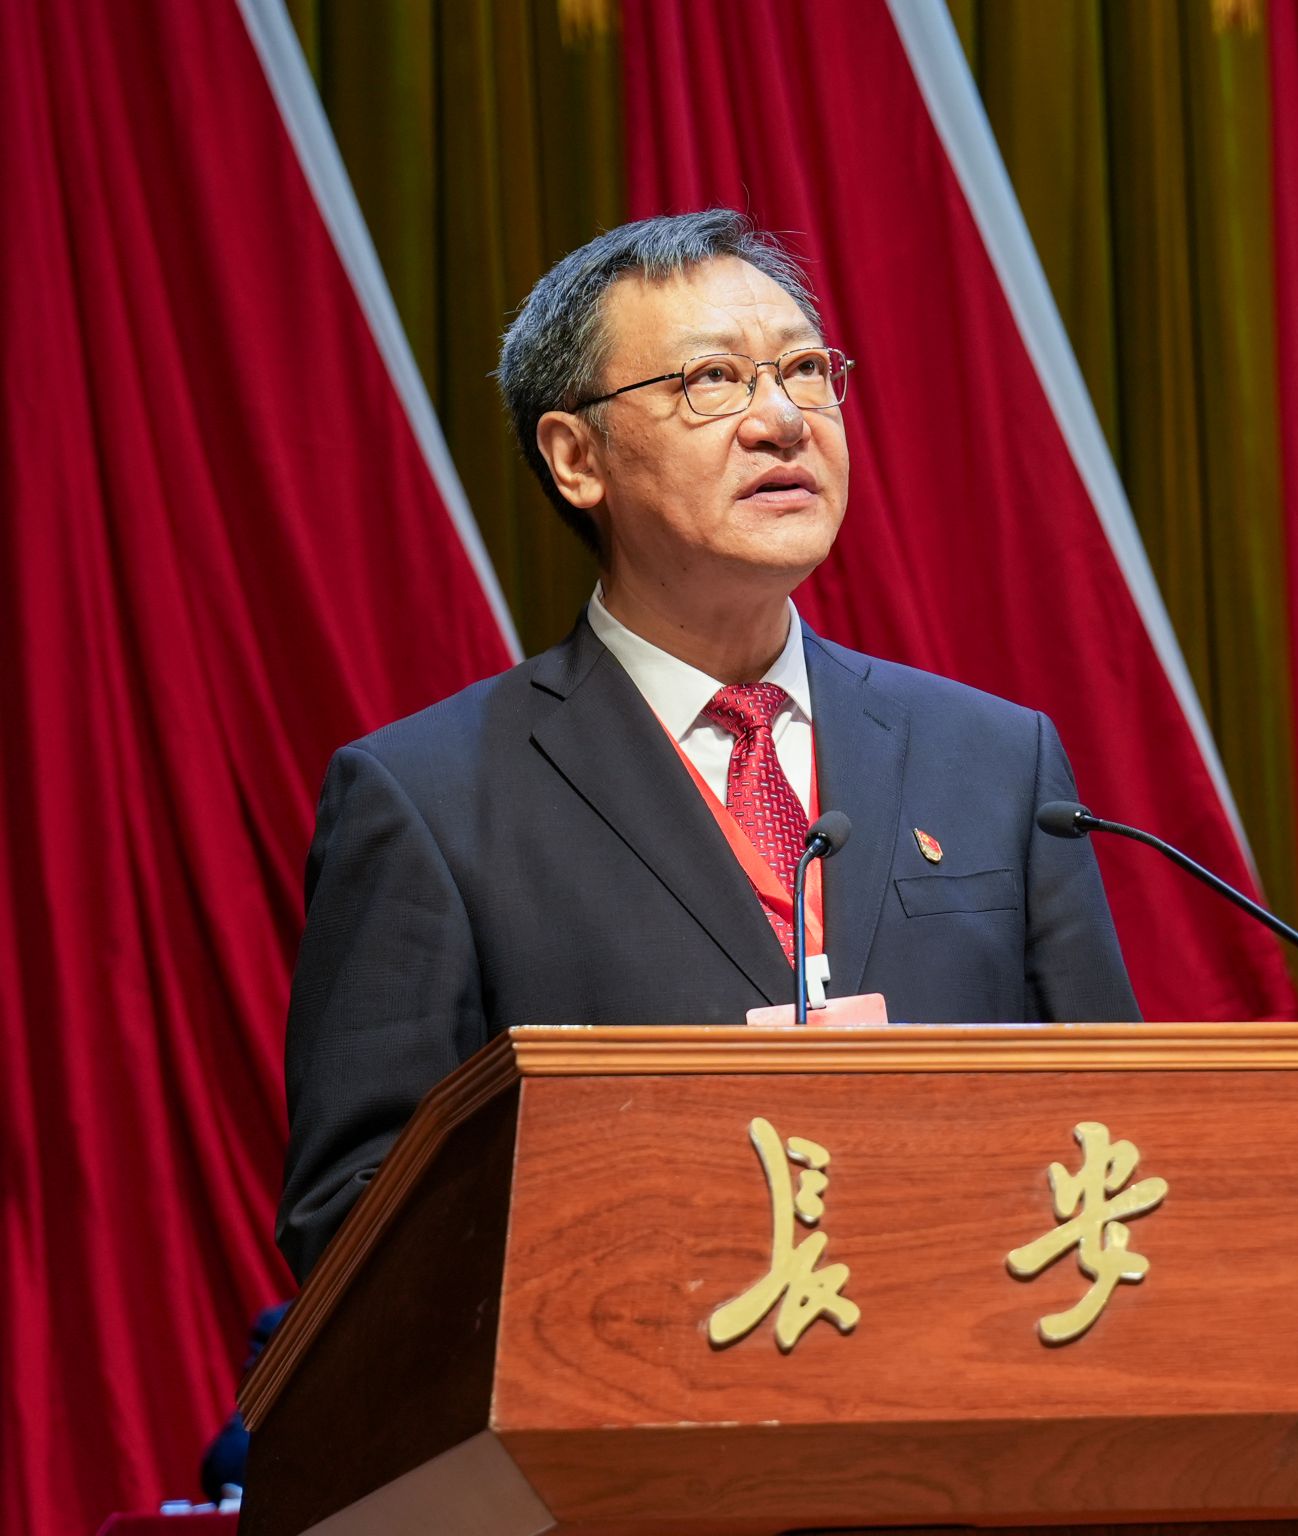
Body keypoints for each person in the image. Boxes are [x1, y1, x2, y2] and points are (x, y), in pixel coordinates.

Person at [276, 210, 1138, 1283]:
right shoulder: (430, 800)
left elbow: (1119, 1128)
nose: (782, 420)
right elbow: (355, 1215)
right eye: (712, 381)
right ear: (575, 457)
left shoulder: (997, 761)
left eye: (805, 371)